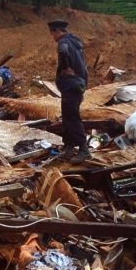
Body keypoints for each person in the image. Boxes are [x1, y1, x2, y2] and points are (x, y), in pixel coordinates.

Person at [48, 19, 91, 163]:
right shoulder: (76, 42)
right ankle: (69, 146)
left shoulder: (63, 42)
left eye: (52, 33)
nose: (52, 37)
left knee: (72, 117)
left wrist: (65, 67)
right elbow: (84, 67)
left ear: (56, 31)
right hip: (77, 84)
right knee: (67, 116)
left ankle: (84, 150)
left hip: (70, 86)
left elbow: (63, 51)